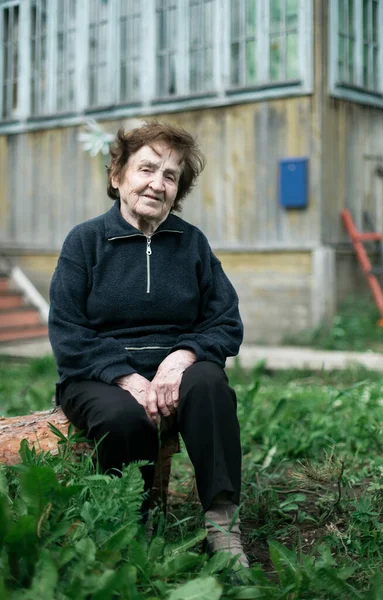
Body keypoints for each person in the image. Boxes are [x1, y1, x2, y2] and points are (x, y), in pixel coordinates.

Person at [48, 121, 248, 567]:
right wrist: (126, 377)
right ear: (117, 175)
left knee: (210, 385)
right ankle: (127, 524)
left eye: (171, 175)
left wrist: (183, 356)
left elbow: (225, 319)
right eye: (147, 169)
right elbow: (67, 332)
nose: (157, 184)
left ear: (178, 191)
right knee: (123, 417)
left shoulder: (192, 243)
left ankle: (222, 523)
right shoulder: (84, 242)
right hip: (99, 375)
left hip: (178, 369)